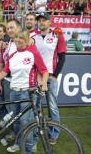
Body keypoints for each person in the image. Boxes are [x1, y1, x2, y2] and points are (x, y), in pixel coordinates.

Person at [0, 29, 48, 154]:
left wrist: (44, 83)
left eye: (21, 38)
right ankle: (18, 143)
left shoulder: (33, 53)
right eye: (16, 37)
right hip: (13, 91)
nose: (18, 40)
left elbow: (44, 71)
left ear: (27, 39)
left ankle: (27, 150)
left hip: (27, 92)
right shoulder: (12, 55)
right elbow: (3, 72)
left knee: (26, 123)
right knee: (16, 121)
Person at [33, 12, 67, 145]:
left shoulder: (57, 35)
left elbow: (62, 58)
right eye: (39, 20)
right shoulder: (33, 35)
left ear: (49, 21)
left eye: (44, 20)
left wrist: (54, 76)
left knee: (52, 106)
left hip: (50, 76)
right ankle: (37, 130)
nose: (41, 22)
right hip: (36, 77)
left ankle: (54, 133)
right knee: (36, 106)